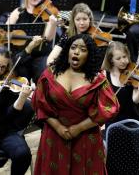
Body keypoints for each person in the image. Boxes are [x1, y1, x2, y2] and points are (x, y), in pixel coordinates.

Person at [32, 33, 119, 175]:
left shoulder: (98, 80)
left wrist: (78, 128)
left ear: (89, 55)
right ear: (67, 50)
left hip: (85, 137)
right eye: (73, 48)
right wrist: (58, 126)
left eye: (83, 50)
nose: (77, 52)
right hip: (54, 135)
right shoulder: (50, 74)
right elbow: (39, 103)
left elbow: (109, 109)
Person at [101, 41, 139, 175]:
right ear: (111, 60)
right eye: (118, 58)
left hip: (135, 117)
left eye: (125, 57)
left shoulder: (135, 72)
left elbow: (136, 100)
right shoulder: (104, 76)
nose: (123, 61)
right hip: (114, 119)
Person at [0, 46, 34, 175]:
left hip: (4, 132)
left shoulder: (7, 86)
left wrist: (22, 98)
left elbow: (10, 115)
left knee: (23, 154)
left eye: (3, 67)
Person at [6, 0, 58, 83]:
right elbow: (5, 31)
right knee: (19, 71)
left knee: (43, 71)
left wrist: (53, 23)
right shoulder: (18, 12)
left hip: (40, 54)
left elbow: (48, 38)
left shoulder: (47, 13)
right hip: (22, 53)